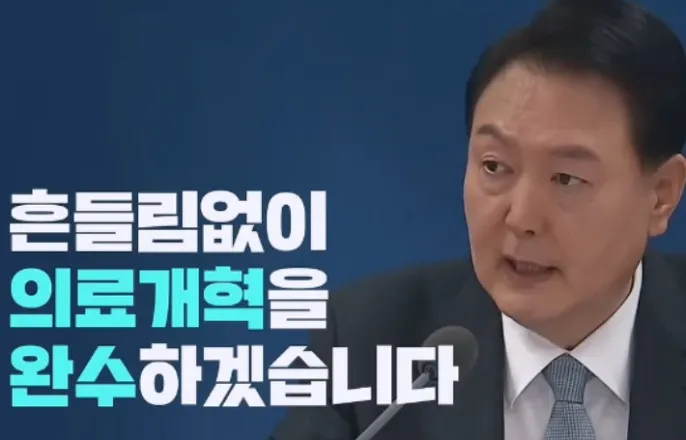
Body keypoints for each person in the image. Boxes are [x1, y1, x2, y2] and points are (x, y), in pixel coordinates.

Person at [268, 0, 686, 439]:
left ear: (661, 196)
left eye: (566, 178)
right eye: (494, 166)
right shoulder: (368, 345)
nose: (521, 219)